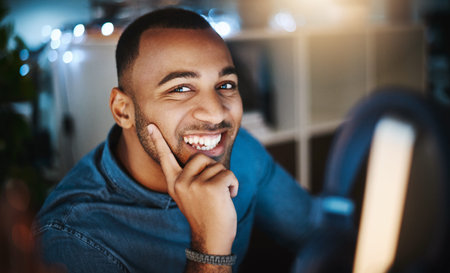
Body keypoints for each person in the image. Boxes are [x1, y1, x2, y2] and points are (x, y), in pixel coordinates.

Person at [33, 7, 315, 273]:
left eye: (225, 85)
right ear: (123, 110)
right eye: (180, 88)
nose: (216, 113)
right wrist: (210, 249)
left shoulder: (242, 150)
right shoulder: (71, 239)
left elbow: (317, 231)